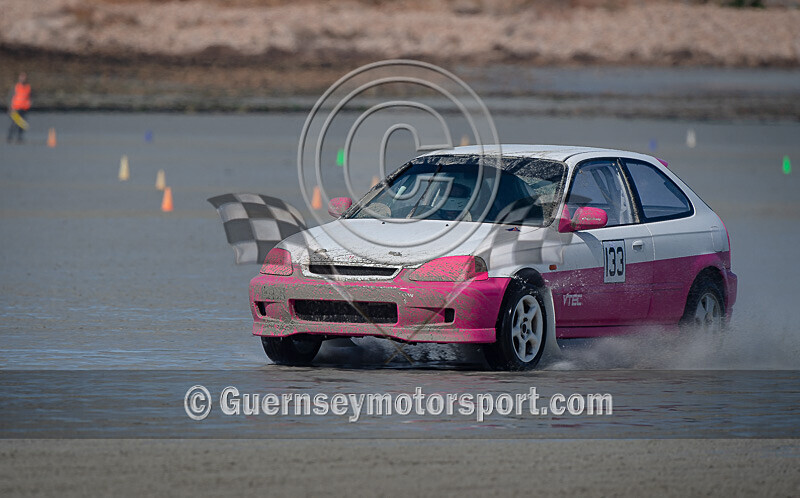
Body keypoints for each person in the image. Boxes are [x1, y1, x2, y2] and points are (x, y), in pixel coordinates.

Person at [7, 72, 31, 144]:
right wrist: (10, 107)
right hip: (15, 108)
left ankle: (19, 137)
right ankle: (10, 137)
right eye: (21, 77)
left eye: (24, 77)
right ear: (19, 78)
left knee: (22, 124)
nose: (23, 79)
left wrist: (29, 103)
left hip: (24, 109)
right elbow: (10, 97)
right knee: (14, 123)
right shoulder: (16, 87)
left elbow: (30, 97)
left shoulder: (28, 87)